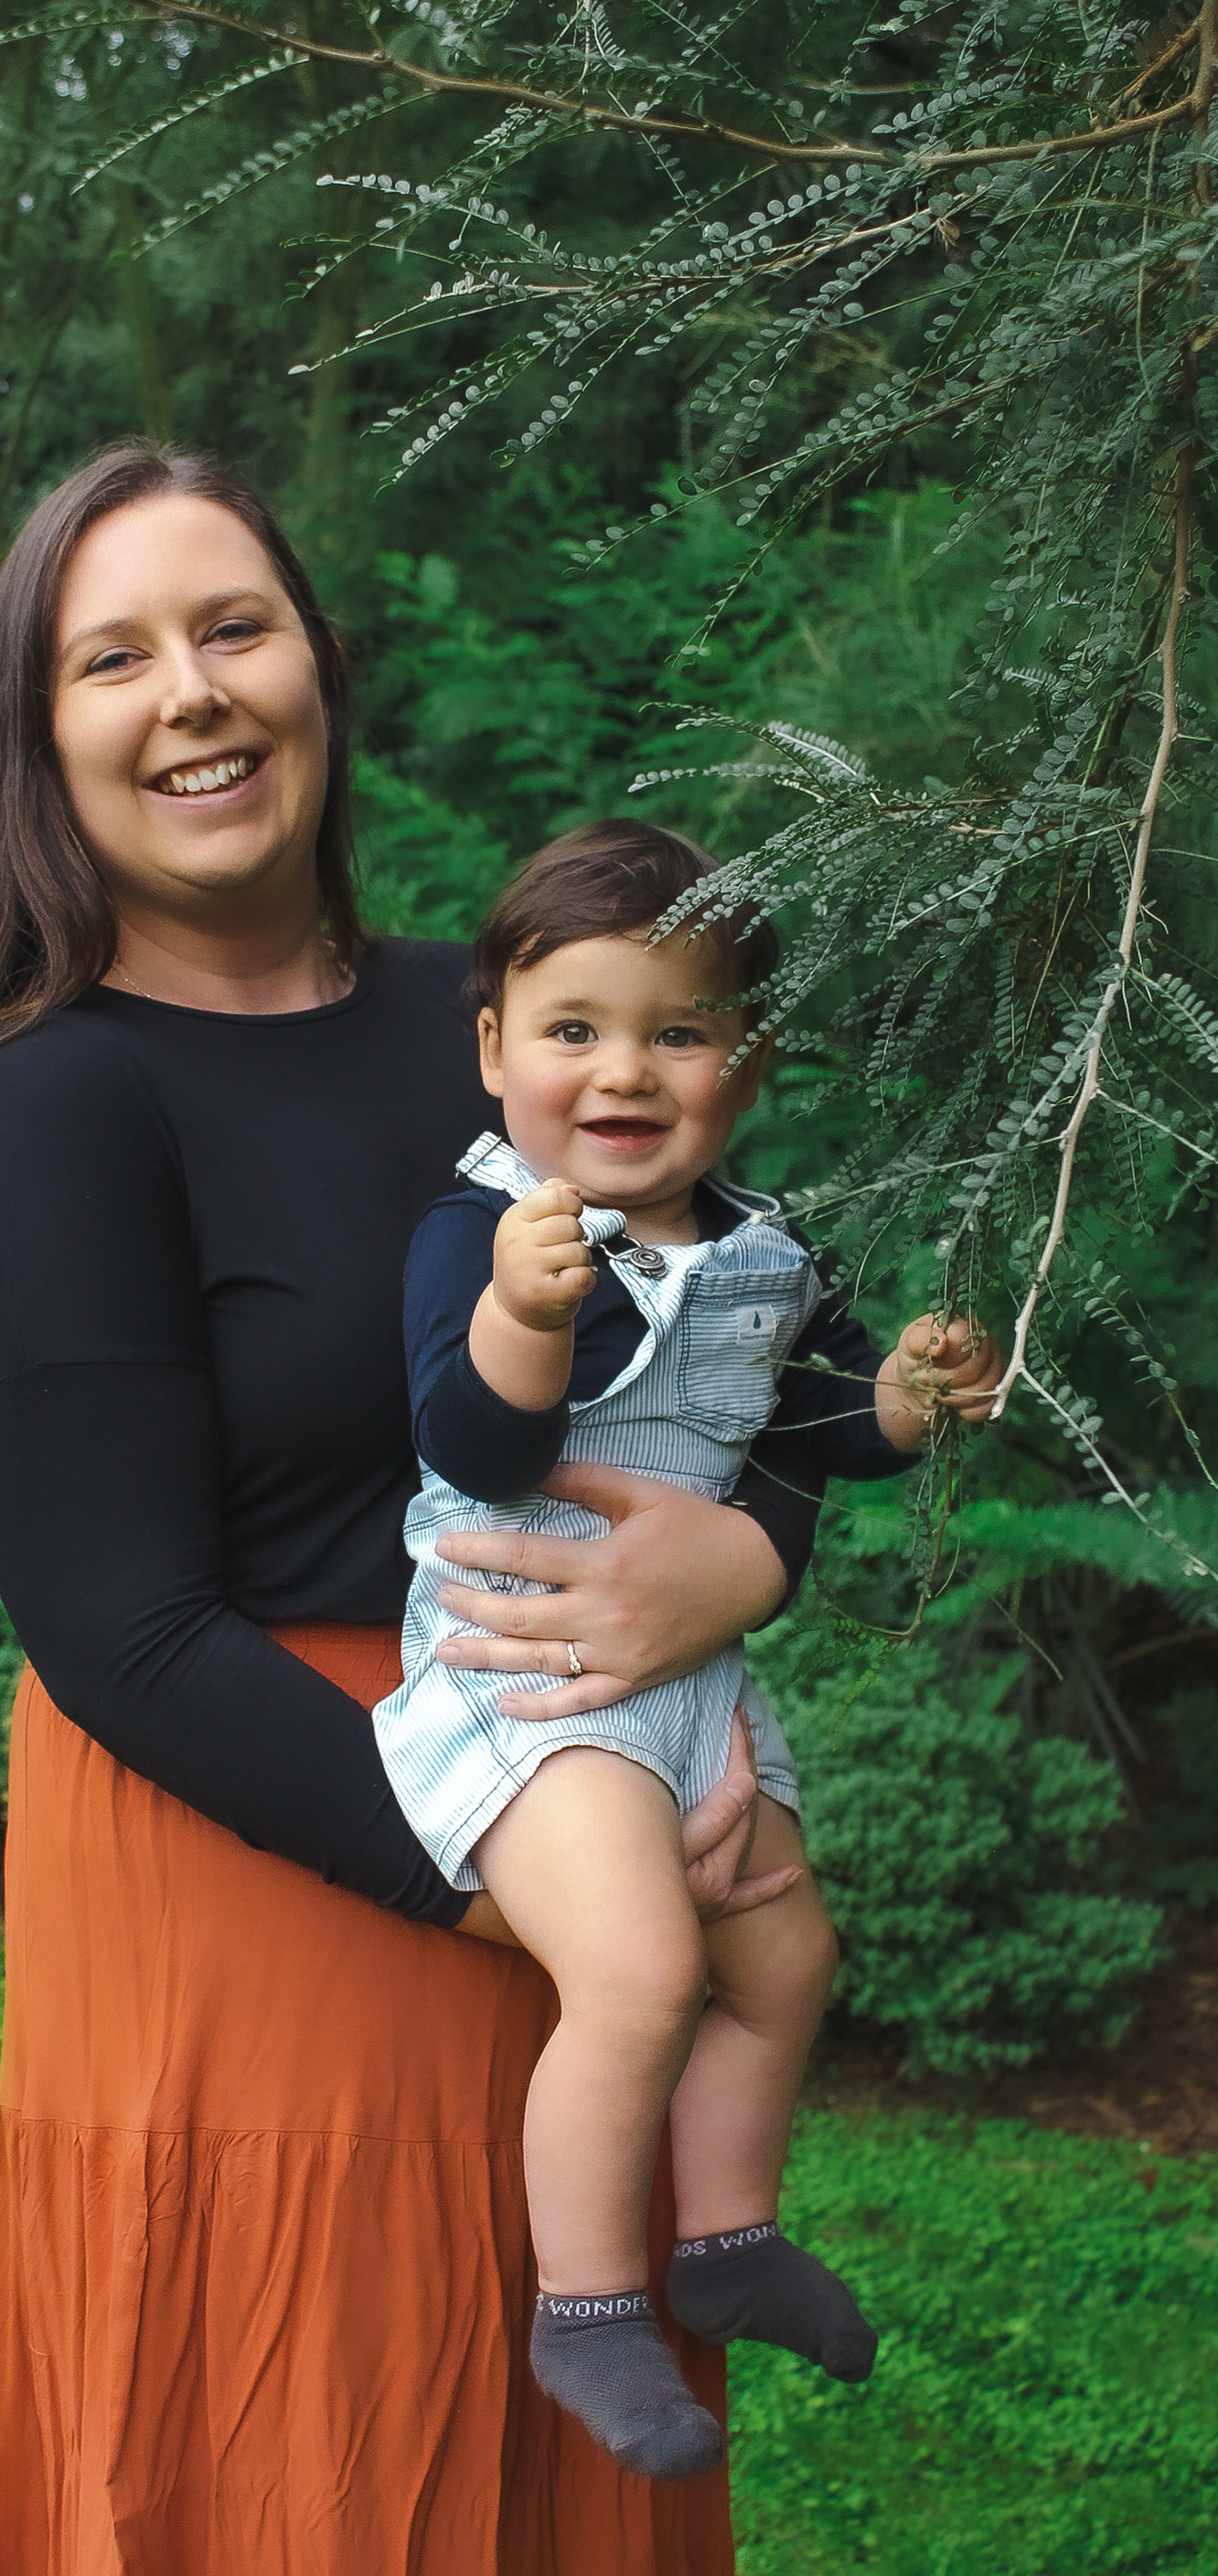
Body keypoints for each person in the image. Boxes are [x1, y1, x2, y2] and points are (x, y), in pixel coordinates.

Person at [0, 438, 900, 2576]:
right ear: (39, 742)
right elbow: (124, 1635)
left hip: (585, 1823)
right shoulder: (54, 1104)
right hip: (285, 1867)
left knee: (565, 2490)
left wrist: (747, 1566)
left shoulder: (517, 1029)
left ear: (318, 666)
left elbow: (744, 1336)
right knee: (311, 2506)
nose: (192, 693)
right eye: (113, 658)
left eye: (233, 626)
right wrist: (526, 1889)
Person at [375, 820, 1004, 2481]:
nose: (623, 1071)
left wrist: (908, 1395)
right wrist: (523, 1315)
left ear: (751, 1062)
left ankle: (725, 2239)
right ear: (496, 1047)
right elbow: (469, 1441)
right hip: (528, 1675)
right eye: (574, 1029)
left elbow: (818, 1431)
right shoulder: (484, 1231)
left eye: (680, 1031)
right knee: (644, 1972)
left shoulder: (772, 1253)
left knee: (784, 1960)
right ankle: (586, 2310)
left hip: (692, 1679)